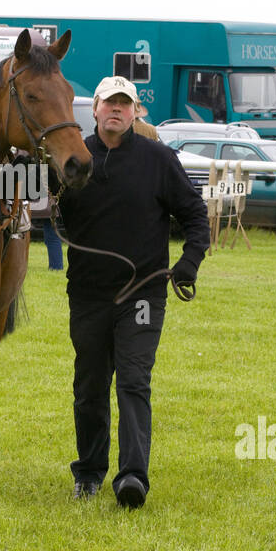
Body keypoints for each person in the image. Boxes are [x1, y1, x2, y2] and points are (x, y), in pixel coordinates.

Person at [56, 74, 210, 509]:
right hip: (87, 294)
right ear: (96, 110)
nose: (117, 110)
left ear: (136, 111)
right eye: (110, 103)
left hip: (143, 293)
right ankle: (88, 473)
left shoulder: (159, 160)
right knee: (88, 385)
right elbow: (40, 202)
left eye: (126, 104)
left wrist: (188, 264)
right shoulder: (75, 158)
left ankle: (132, 477)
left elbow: (195, 215)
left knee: (134, 380)